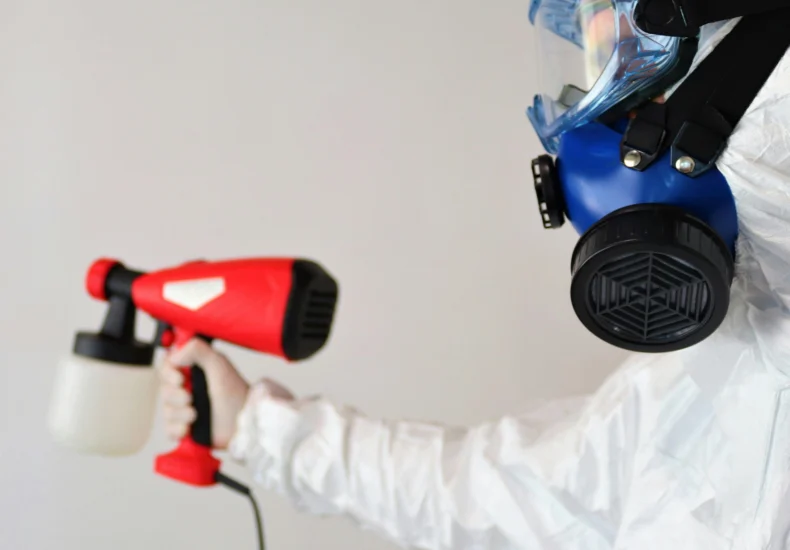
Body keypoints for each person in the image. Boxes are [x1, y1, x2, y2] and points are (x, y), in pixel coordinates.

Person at [160, 19, 790, 550]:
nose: (609, 119)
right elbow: (513, 491)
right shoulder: (723, 369)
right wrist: (255, 428)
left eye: (649, 83)